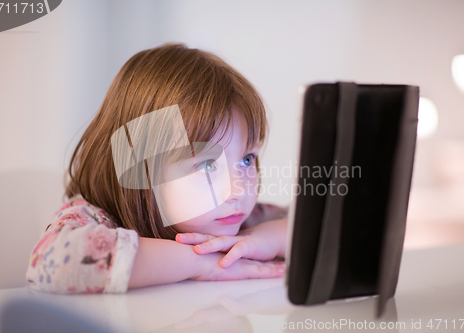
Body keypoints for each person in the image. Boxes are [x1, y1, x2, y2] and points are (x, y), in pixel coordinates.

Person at [26, 43, 289, 294]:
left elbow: (322, 226)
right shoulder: (98, 219)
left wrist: (268, 238)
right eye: (207, 165)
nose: (237, 190)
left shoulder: (247, 220)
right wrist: (202, 262)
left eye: (246, 159)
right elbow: (54, 260)